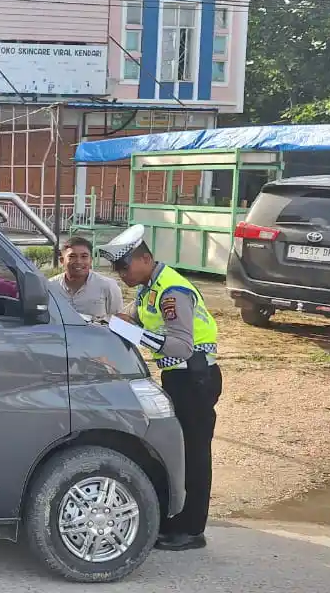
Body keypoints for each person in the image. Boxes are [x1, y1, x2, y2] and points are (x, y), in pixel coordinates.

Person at [98, 224, 222, 552]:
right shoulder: (148, 290)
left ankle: (192, 530)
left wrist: (134, 335)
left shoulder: (171, 291)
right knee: (176, 451)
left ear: (145, 259)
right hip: (178, 379)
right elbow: (128, 318)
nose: (120, 273)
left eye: (124, 266)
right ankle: (174, 521)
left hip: (195, 378)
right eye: (116, 268)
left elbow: (181, 346)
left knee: (194, 455)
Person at [47, 236, 121, 321]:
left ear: (91, 260)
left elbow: (118, 320)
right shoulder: (50, 287)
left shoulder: (108, 286)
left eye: (84, 256)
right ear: (62, 261)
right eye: (72, 256)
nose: (78, 261)